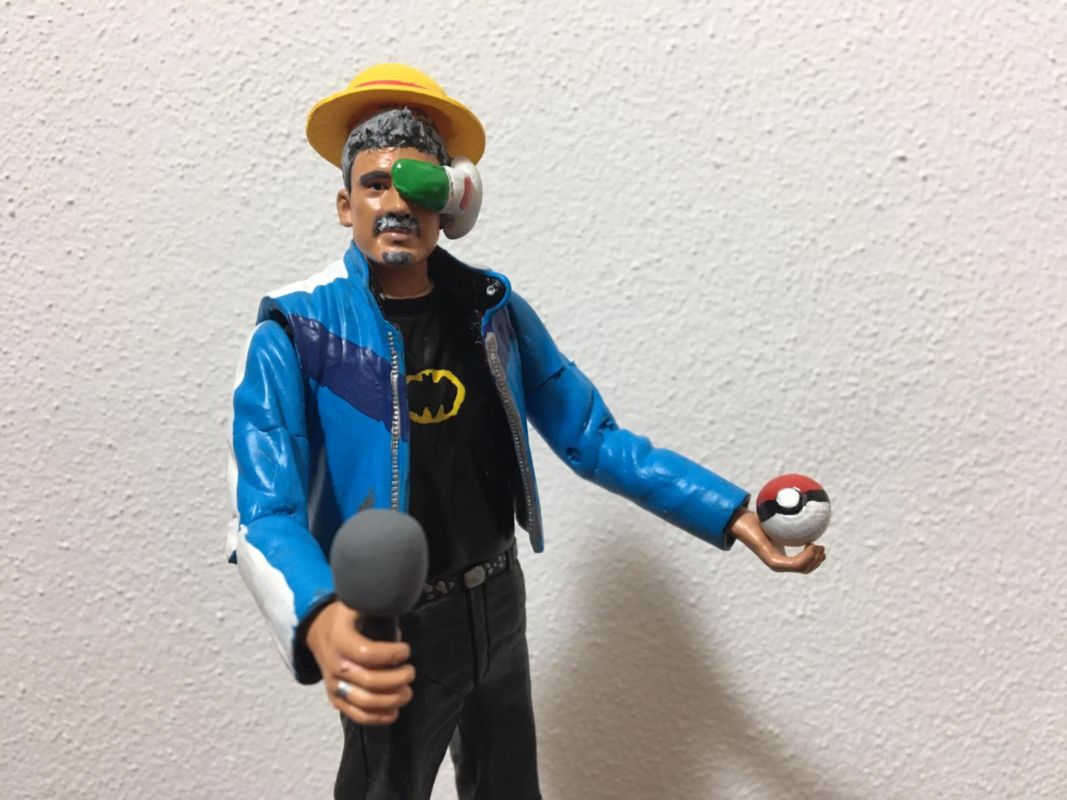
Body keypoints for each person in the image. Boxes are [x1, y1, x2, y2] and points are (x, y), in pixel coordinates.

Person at [227, 63, 825, 800]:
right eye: (376, 184)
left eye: (419, 185)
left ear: (452, 199)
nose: (397, 204)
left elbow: (593, 437)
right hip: (393, 626)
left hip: (498, 604)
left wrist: (726, 509)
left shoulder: (493, 311)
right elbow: (265, 512)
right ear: (344, 202)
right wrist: (318, 614)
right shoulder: (297, 331)